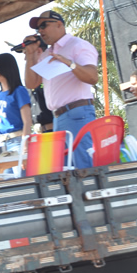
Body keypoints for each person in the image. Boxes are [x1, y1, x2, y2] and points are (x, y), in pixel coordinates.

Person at [23, 10, 98, 168]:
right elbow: (31, 83)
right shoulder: (47, 54)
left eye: (43, 25)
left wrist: (69, 63)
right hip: (58, 117)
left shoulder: (78, 45)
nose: (40, 31)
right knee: (64, 169)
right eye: (38, 28)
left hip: (77, 113)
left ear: (59, 24)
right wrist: (30, 55)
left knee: (84, 166)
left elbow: (92, 77)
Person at [0, 53, 33, 156]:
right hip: (1, 144)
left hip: (17, 141)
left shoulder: (19, 91)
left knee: (18, 167)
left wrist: (25, 146)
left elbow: (27, 121)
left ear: (5, 69)